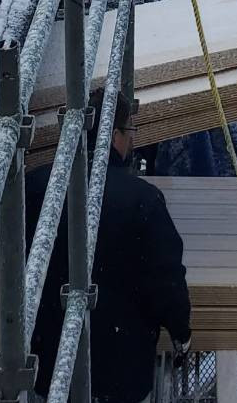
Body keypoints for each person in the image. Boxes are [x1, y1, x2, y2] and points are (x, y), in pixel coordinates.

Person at [25, 90, 191, 403]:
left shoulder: (34, 188)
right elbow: (166, 280)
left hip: (47, 362)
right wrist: (181, 332)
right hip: (120, 369)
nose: (131, 141)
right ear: (114, 136)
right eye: (130, 131)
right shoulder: (143, 200)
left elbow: (13, 269)